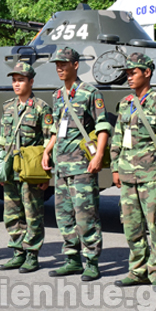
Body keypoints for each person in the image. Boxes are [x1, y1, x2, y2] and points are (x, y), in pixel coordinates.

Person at [42, 47, 112, 281]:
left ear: (75, 65)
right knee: (64, 215)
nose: (59, 68)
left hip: (82, 166)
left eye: (64, 63)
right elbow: (55, 129)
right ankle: (72, 259)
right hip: (61, 167)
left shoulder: (90, 93)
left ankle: (91, 261)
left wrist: (98, 155)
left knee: (86, 214)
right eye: (57, 64)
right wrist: (47, 151)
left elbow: (102, 126)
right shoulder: (57, 96)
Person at [110, 53, 156, 292]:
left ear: (146, 73)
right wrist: (115, 167)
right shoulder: (126, 102)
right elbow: (118, 136)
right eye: (127, 73)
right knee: (131, 226)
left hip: (151, 176)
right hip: (128, 175)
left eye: (133, 72)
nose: (128, 77)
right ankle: (138, 270)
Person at [0, 61, 53, 273]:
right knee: (12, 214)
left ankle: (32, 255)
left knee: (32, 214)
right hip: (12, 169)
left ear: (31, 81)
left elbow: (49, 139)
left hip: (31, 169)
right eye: (14, 80)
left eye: (21, 80)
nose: (16, 84)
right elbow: (3, 139)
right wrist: (2, 167)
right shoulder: (8, 107)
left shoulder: (41, 108)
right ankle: (17, 252)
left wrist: (46, 173)